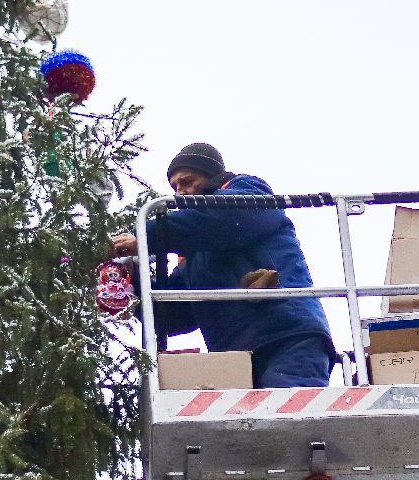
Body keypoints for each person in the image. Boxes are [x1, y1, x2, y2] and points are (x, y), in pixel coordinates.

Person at [110, 143, 336, 388]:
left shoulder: (249, 193)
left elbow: (225, 220)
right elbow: (170, 315)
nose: (179, 192)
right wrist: (127, 283)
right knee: (255, 424)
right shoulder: (195, 256)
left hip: (288, 337)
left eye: (186, 181)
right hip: (235, 358)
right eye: (174, 187)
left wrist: (147, 237)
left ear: (211, 177)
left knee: (292, 417)